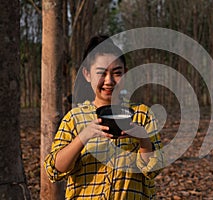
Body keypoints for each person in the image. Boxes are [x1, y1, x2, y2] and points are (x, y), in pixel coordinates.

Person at [44, 35, 163, 199]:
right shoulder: (74, 118)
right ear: (87, 74)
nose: (109, 81)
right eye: (101, 73)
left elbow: (154, 170)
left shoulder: (142, 115)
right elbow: (54, 169)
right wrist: (83, 136)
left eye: (116, 73)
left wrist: (143, 139)